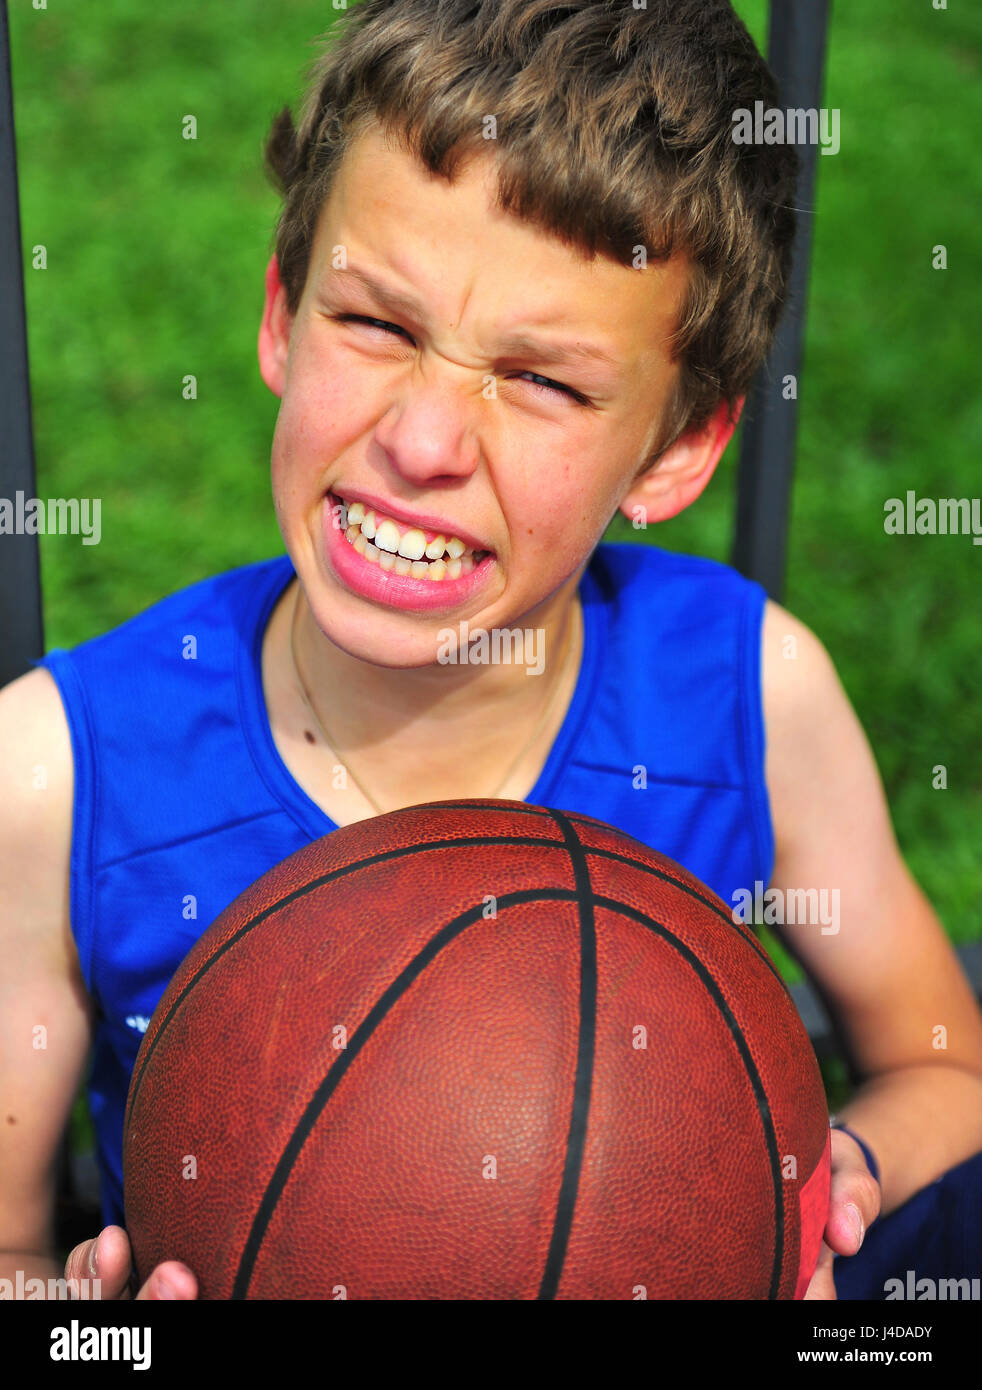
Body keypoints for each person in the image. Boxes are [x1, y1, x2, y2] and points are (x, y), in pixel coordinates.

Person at [2, 0, 980, 1302]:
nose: (423, 441)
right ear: (282, 312)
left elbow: (946, 1068)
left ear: (680, 449)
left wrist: (839, 1172)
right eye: (377, 324)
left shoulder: (742, 690)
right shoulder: (64, 768)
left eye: (545, 382)